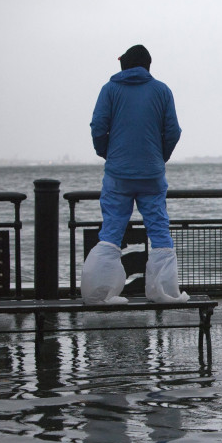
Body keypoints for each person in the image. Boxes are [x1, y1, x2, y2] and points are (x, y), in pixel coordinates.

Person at [81, 44, 188, 304]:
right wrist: (158, 157)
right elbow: (173, 131)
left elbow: (98, 127)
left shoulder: (110, 90)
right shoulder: (162, 91)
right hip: (152, 174)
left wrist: (107, 153)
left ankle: (101, 293)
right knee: (160, 231)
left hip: (118, 174)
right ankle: (164, 292)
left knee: (112, 231)